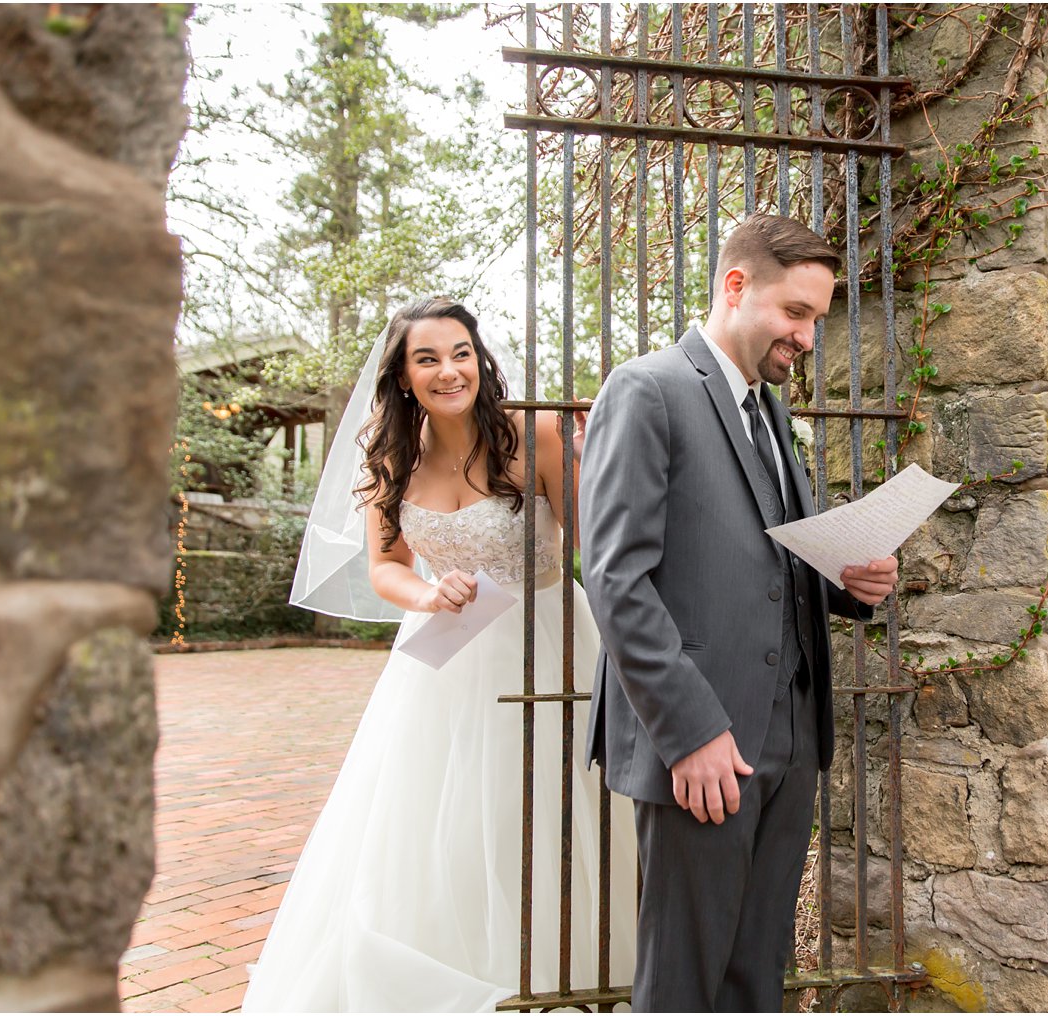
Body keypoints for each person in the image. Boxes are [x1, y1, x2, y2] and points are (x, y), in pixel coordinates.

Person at [243, 297, 636, 1012]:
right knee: (442, 824)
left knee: (547, 807)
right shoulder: (391, 454)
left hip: (548, 642)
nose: (449, 370)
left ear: (479, 359)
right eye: (427, 358)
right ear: (402, 375)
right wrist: (424, 597)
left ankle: (570, 971)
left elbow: (595, 544)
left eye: (460, 353)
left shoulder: (532, 434)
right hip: (444, 659)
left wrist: (594, 459)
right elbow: (385, 564)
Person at [580, 213, 899, 1012]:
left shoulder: (769, 412)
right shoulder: (647, 389)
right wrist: (690, 733)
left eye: (816, 321)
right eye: (796, 314)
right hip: (702, 738)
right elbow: (616, 576)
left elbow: (767, 556)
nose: (807, 337)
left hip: (788, 732)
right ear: (735, 286)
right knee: (684, 982)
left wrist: (844, 582)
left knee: (757, 974)